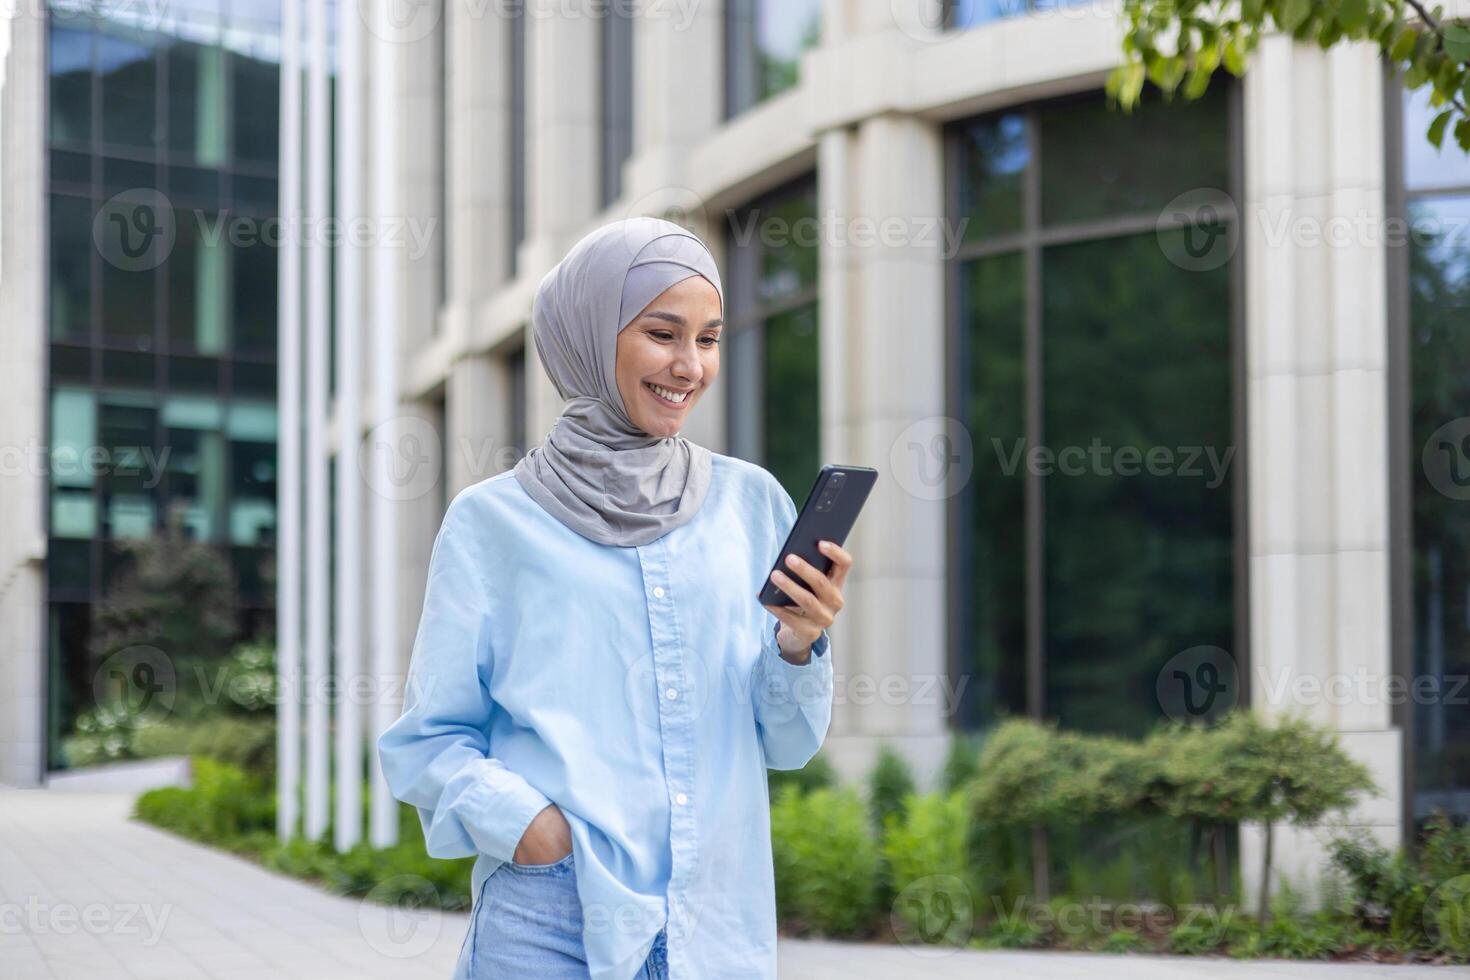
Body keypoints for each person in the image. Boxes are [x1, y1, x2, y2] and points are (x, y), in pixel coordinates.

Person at [376, 216, 853, 980]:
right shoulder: (492, 523)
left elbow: (787, 744)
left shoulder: (750, 504)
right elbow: (428, 742)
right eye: (664, 333)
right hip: (551, 921)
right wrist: (536, 831)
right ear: (592, 337)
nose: (691, 366)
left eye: (709, 338)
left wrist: (798, 646)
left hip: (714, 923)